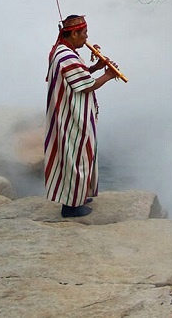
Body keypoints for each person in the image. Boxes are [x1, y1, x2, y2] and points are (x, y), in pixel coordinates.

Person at [44, 14, 119, 218]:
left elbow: (81, 73)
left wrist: (96, 67)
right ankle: (71, 206)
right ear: (74, 33)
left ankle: (78, 194)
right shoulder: (66, 56)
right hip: (71, 116)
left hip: (74, 112)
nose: (86, 38)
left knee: (81, 154)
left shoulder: (64, 51)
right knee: (76, 156)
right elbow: (87, 85)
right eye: (84, 33)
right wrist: (108, 75)